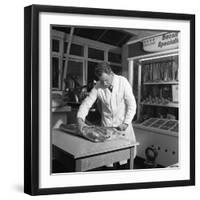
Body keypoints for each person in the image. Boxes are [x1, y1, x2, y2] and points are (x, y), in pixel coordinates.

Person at [77, 62, 137, 167]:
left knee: (125, 162)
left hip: (123, 126)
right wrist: (80, 119)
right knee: (108, 161)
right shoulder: (98, 86)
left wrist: (126, 123)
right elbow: (87, 103)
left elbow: (132, 105)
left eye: (106, 80)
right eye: (101, 80)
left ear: (111, 73)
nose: (104, 83)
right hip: (107, 128)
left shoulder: (123, 82)